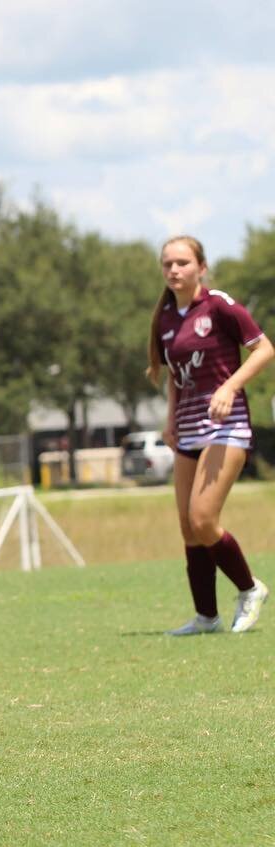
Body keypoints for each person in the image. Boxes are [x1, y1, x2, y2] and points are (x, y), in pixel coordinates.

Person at [147, 235, 272, 634]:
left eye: (182, 262)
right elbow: (172, 377)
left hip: (227, 426)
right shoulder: (165, 318)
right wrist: (170, 420)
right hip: (187, 431)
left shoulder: (219, 305)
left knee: (203, 519)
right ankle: (206, 617)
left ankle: (250, 589)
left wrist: (230, 387)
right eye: (167, 263)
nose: (173, 270)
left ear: (201, 267)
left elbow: (265, 349)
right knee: (188, 527)